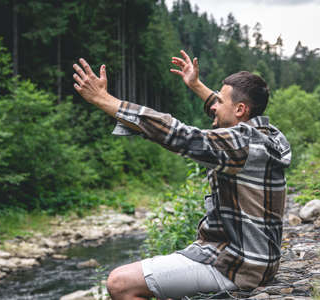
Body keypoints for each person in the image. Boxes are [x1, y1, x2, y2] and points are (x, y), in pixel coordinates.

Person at [72, 50, 291, 300]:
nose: (214, 106)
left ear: (241, 109)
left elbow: (179, 134)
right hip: (259, 259)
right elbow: (227, 114)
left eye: (220, 100)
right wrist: (196, 85)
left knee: (120, 283)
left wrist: (104, 100)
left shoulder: (240, 145)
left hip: (238, 267)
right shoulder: (268, 135)